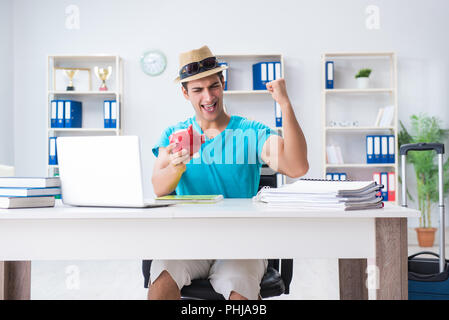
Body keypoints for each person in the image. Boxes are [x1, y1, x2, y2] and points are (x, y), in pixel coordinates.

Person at [148, 45, 309, 300]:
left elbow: (297, 166)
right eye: (198, 90)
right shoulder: (174, 136)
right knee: (161, 283)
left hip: (240, 243)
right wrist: (178, 165)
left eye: (213, 86)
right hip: (189, 241)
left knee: (239, 293)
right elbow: (158, 187)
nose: (208, 97)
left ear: (223, 83)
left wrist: (285, 105)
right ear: (185, 93)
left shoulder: (250, 132)